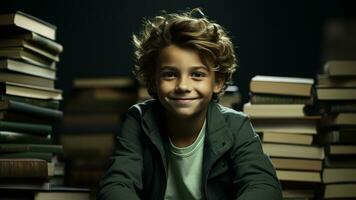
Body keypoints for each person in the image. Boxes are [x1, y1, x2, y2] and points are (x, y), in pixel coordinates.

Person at [97, 8, 282, 200]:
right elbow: (115, 185)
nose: (183, 86)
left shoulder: (236, 125)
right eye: (170, 74)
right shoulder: (139, 120)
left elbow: (264, 186)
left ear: (217, 82)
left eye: (197, 75)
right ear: (154, 80)